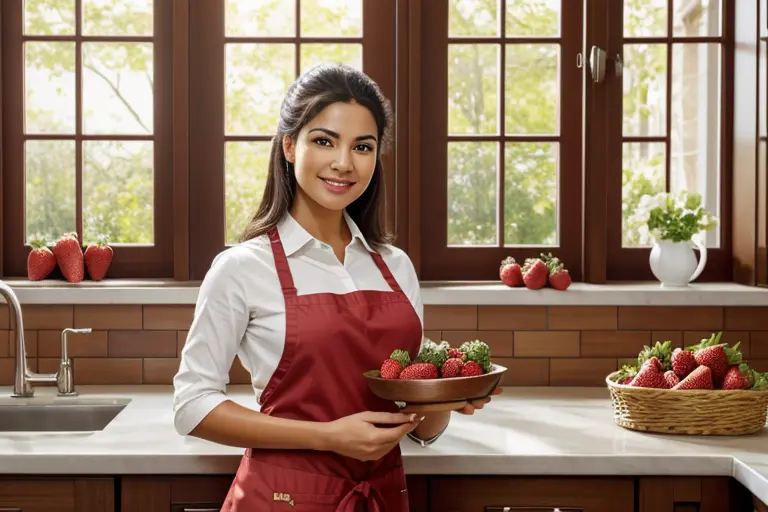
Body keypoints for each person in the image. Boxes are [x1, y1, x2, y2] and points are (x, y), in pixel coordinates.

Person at [172, 63, 500, 511]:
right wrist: (326, 436)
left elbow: (419, 425)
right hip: (281, 499)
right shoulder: (243, 267)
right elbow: (192, 407)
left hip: (382, 496)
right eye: (324, 141)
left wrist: (447, 398)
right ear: (290, 146)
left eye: (362, 147)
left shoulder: (395, 266)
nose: (344, 163)